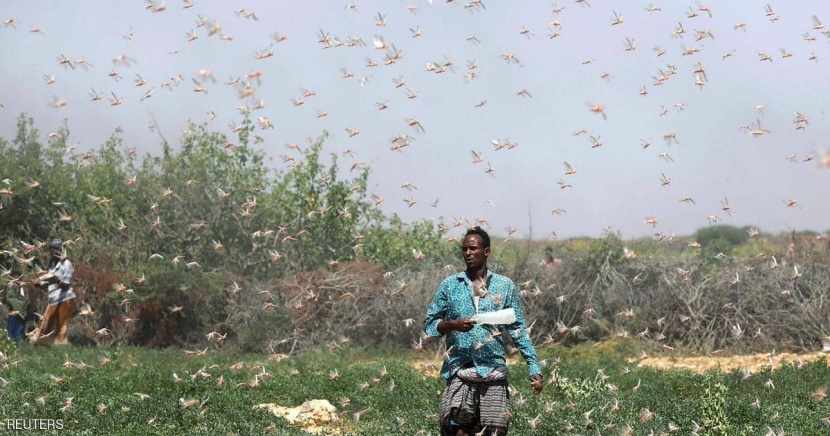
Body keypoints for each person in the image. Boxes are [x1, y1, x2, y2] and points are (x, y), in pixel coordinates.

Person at [424, 226, 543, 436]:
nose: (467, 253)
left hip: (493, 372)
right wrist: (453, 325)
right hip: (459, 371)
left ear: (486, 251)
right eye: (464, 249)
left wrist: (534, 367)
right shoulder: (450, 285)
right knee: (458, 431)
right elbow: (430, 325)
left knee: (494, 432)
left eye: (473, 249)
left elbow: (517, 330)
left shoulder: (504, 286)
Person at [31, 238, 77, 346]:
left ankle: (60, 349)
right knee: (46, 325)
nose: (52, 252)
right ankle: (46, 347)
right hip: (54, 299)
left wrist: (51, 280)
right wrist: (41, 284)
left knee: (60, 328)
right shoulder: (52, 263)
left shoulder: (67, 264)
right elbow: (50, 278)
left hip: (65, 299)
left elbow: (64, 284)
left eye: (54, 249)